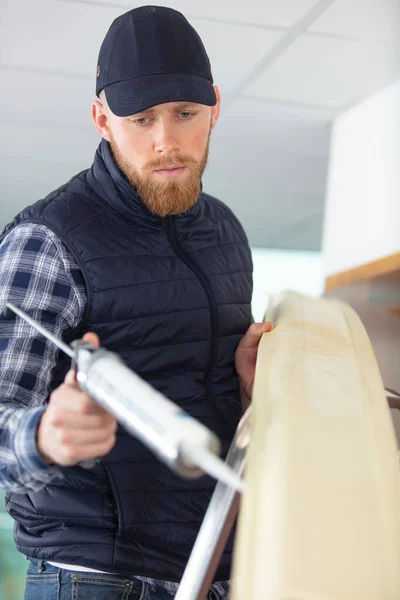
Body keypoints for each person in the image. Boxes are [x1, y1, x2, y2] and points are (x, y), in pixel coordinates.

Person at [0, 6, 271, 599]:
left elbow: (208, 397)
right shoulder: (45, 240)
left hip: (214, 571)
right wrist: (45, 436)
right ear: (102, 118)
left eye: (185, 114)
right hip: (98, 577)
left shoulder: (225, 233)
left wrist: (248, 387)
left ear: (215, 107)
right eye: (141, 119)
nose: (166, 141)